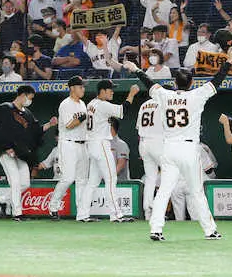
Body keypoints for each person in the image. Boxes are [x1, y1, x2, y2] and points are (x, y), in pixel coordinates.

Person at [127, 56, 229, 241]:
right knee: (196, 191)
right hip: (188, 148)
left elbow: (148, 82)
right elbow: (217, 82)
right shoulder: (196, 95)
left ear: (174, 83)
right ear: (191, 83)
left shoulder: (165, 95)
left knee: (164, 190)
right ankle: (209, 230)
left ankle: (156, 229)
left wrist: (136, 69)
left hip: (169, 148)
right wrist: (228, 62)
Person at [0, 85, 57, 221]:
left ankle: (2, 200)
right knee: (14, 181)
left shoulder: (28, 114)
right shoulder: (5, 108)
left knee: (25, 183)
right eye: (29, 97)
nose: (30, 100)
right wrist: (5, 147)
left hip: (20, 153)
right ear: (22, 95)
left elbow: (36, 131)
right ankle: (17, 213)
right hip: (5, 151)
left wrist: (49, 124)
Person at [76, 80, 140, 223]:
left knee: (93, 182)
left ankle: (82, 214)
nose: (112, 92)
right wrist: (131, 94)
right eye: (110, 89)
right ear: (102, 91)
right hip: (100, 144)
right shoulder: (103, 105)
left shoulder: (91, 103)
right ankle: (116, 214)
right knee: (111, 179)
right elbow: (123, 111)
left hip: (91, 145)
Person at [49, 75, 88, 219]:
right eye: (80, 86)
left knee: (82, 179)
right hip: (68, 143)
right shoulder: (66, 104)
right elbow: (69, 125)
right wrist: (83, 117)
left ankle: (82, 213)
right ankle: (53, 206)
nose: (83, 89)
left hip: (82, 144)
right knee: (68, 178)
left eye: (83, 86)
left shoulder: (82, 104)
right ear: (72, 88)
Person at [136, 91, 163, 220]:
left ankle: (148, 211)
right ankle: (159, 208)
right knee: (170, 173)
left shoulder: (144, 105)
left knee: (150, 178)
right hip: (157, 142)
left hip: (143, 142)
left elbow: (138, 129)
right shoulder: (163, 102)